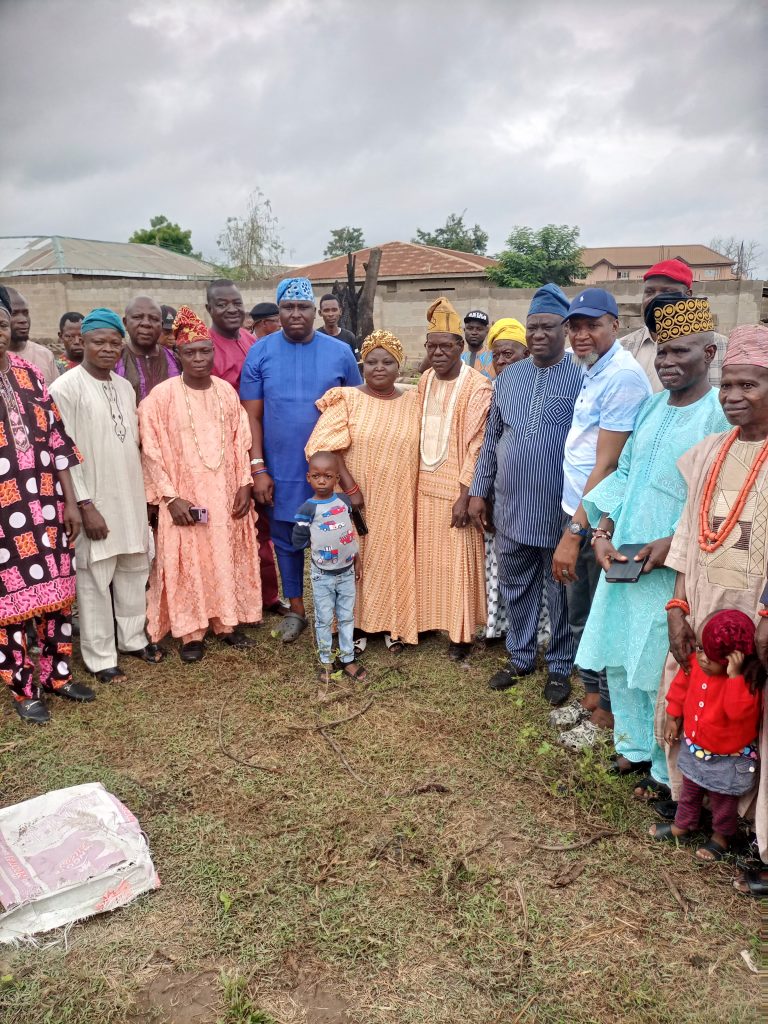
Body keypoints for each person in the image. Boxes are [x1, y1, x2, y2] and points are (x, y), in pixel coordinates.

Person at [574, 296, 728, 788]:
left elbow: (717, 499)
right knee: (622, 659)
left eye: (680, 352)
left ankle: (668, 774)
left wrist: (672, 542)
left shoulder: (717, 415)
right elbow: (624, 471)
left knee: (663, 668)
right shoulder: (651, 405)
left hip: (673, 566)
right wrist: (600, 530)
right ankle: (635, 749)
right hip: (624, 556)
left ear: (708, 354)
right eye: (662, 353)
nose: (667, 362)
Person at [656, 324, 768, 893]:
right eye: (728, 385)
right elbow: (686, 537)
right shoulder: (708, 453)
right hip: (703, 611)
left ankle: (758, 839)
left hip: (759, 619)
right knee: (696, 704)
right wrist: (678, 606)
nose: (732, 396)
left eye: (748, 385)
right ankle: (690, 806)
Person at [470, 284, 582, 701]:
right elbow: (492, 439)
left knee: (560, 591)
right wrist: (480, 491)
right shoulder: (509, 378)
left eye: (548, 326)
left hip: (558, 510)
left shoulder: (581, 376)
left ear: (565, 329)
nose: (538, 334)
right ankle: (519, 657)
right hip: (512, 505)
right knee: (515, 584)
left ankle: (559, 665)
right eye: (532, 326)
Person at [552, 288, 652, 750]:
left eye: (592, 324)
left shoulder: (624, 378)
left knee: (598, 618)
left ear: (615, 324)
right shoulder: (592, 369)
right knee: (580, 613)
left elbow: (609, 465)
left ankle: (606, 715)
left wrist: (576, 531)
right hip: (580, 508)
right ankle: (592, 700)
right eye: (575, 326)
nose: (581, 334)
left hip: (597, 520)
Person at [240, 277, 362, 643]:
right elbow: (251, 416)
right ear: (278, 312)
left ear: (314, 311)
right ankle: (297, 609)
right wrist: (258, 467)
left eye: (303, 307)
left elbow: (356, 407)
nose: (296, 314)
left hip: (332, 468)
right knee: (285, 538)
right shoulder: (260, 352)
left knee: (337, 536)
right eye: (288, 308)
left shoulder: (339, 352)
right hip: (281, 468)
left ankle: (342, 611)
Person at [139, 307, 261, 663]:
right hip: (183, 498)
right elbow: (151, 449)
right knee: (187, 559)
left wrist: (244, 484)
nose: (198, 357)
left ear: (212, 352)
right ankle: (191, 631)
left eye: (204, 350)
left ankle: (226, 622)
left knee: (224, 553)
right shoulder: (160, 398)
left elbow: (242, 440)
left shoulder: (225, 392)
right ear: (178, 354)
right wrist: (171, 497)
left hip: (225, 495)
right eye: (189, 351)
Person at [50, 308, 161, 683]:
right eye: (99, 342)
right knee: (95, 577)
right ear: (81, 342)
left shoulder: (124, 386)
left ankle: (131, 639)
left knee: (133, 567)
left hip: (129, 495)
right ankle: (100, 658)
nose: (108, 349)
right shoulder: (65, 388)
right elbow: (60, 452)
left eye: (115, 343)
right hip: (93, 500)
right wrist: (84, 504)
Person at [0, 288, 94, 724]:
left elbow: (56, 440)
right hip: (5, 516)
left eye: (1, 325)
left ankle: (56, 674)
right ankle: (23, 688)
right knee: (10, 604)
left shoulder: (28, 373)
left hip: (48, 504)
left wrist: (72, 502)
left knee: (58, 595)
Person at [306, 329, 420, 651]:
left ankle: (391, 623)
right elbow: (322, 448)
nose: (379, 368)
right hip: (358, 499)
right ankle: (352, 627)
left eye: (387, 361)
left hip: (398, 497)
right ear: (362, 365)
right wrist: (349, 486)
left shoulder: (413, 399)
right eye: (371, 362)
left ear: (400, 366)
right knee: (355, 560)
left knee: (392, 559)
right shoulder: (348, 398)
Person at [652, 611, 763, 862]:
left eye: (710, 656)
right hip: (696, 747)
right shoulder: (697, 665)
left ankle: (721, 836)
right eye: (700, 648)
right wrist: (672, 716)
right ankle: (684, 824)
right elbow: (680, 687)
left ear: (733, 659)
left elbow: (737, 713)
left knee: (723, 800)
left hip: (728, 758)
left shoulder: (744, 682)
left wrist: (734, 677)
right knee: (690, 788)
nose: (701, 658)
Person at [416, 297, 491, 660]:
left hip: (455, 487)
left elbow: (477, 443)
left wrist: (465, 494)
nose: (438, 352)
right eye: (431, 346)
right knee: (427, 559)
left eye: (446, 346)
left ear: (461, 346)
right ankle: (430, 620)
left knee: (457, 561)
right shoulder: (426, 378)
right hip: (423, 483)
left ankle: (460, 635)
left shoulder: (476, 385)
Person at [292, 451, 364, 681]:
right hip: (322, 575)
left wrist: (357, 559)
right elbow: (298, 541)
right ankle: (325, 661)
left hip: (346, 572)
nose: (322, 481)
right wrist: (309, 535)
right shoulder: (307, 509)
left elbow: (348, 533)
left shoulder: (344, 502)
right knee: (323, 618)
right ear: (308, 478)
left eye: (328, 476)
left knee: (346, 617)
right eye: (316, 476)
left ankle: (347, 658)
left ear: (336, 479)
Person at [620, 258, 726, 391]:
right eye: (649, 292)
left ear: (688, 295)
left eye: (666, 292)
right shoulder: (623, 347)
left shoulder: (722, 347)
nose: (655, 298)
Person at [115, 295, 180, 404]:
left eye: (154, 319)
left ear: (161, 325)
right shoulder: (114, 360)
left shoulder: (176, 360)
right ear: (125, 323)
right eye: (137, 317)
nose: (146, 323)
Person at [207, 279, 255, 391]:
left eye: (237, 303)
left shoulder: (251, 340)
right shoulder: (204, 348)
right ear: (209, 309)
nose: (232, 310)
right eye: (222, 305)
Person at [5, 286, 58, 385]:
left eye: (25, 313)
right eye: (14, 313)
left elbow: (55, 396)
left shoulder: (45, 356)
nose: (23, 320)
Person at [317, 295, 361, 361]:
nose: (331, 314)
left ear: (340, 311)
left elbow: (356, 361)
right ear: (320, 313)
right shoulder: (316, 337)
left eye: (334, 310)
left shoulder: (349, 337)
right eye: (326, 310)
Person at [460, 310, 493, 378]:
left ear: (487, 331)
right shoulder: (456, 354)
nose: (474, 332)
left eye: (479, 329)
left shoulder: (494, 356)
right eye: (470, 328)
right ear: (464, 330)